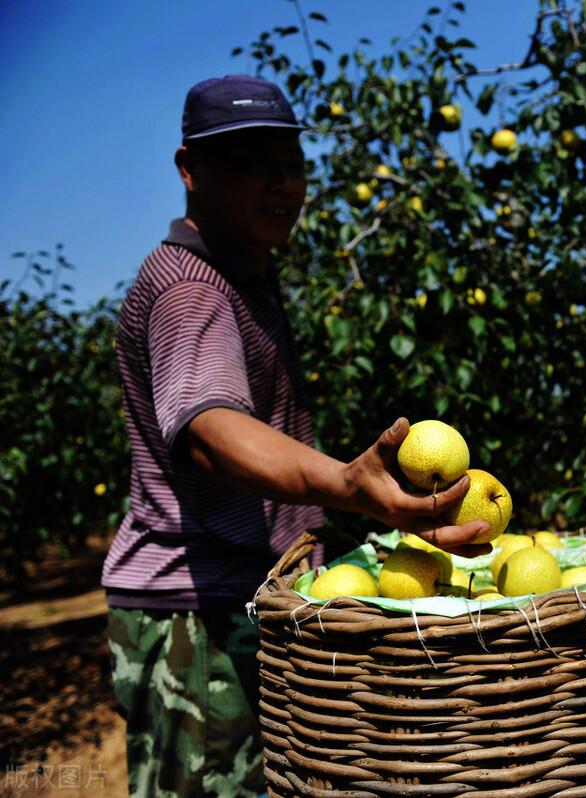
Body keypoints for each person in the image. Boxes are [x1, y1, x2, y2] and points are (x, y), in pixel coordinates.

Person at [101, 75, 491, 797]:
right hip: (196, 614)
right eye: (251, 162)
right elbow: (208, 429)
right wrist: (346, 486)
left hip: (234, 598)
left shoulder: (242, 277)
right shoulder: (194, 290)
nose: (280, 184)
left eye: (291, 163)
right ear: (189, 171)